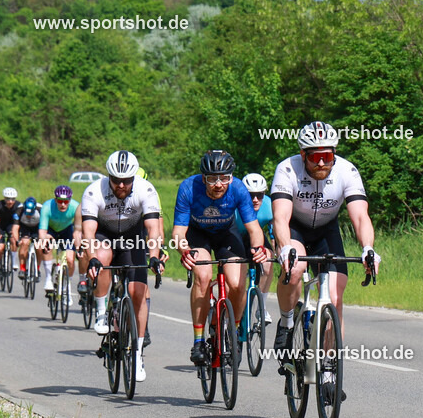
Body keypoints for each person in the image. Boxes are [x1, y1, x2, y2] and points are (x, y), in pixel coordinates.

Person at [270, 121, 380, 405]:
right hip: (294, 229)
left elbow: (360, 216)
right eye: (315, 156)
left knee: (334, 296)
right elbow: (280, 216)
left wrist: (368, 248)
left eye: (327, 156)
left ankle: (329, 371)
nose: (321, 163)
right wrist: (284, 247)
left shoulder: (347, 171)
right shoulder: (287, 169)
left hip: (326, 232)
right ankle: (286, 323)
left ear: (334, 154)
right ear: (303, 154)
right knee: (295, 268)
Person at [173, 150, 267, 367]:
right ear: (203, 178)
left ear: (231, 177)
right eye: (212, 179)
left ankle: (232, 333)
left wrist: (258, 249)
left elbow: (254, 229)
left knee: (237, 283)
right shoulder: (188, 188)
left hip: (226, 234)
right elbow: (178, 232)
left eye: (224, 178)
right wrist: (184, 250)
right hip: (198, 235)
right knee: (203, 276)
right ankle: (198, 341)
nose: (218, 184)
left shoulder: (238, 188)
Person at [83, 150, 164, 382]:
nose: (121, 185)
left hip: (133, 239)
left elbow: (153, 229)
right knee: (102, 257)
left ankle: (137, 354)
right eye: (116, 179)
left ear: (133, 177)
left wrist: (154, 256)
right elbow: (88, 232)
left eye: (126, 180)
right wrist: (92, 258)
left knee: (137, 291)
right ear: (108, 176)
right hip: (104, 236)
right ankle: (101, 312)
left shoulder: (145, 189)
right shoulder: (94, 191)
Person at [236, 173, 275, 324]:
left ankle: (261, 307)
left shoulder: (269, 205)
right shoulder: (234, 206)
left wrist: (279, 252)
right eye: (250, 195)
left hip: (257, 238)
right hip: (236, 237)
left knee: (268, 261)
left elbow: (274, 233)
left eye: (259, 195)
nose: (255, 199)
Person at [38, 185, 78, 300]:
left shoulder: (76, 207)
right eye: (60, 201)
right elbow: (42, 231)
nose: (63, 204)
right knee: (46, 245)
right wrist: (44, 241)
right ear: (55, 200)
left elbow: (79, 229)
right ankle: (48, 279)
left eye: (66, 201)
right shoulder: (47, 207)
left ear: (70, 200)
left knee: (70, 259)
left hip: (67, 230)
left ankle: (67, 285)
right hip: (51, 230)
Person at [0, 187, 20, 281]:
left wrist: (17, 233)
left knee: (13, 239)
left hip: (12, 225)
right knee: (0, 248)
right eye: (8, 199)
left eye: (12, 199)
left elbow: (20, 221)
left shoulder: (18, 206)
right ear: (4, 198)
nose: (10, 201)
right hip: (0, 226)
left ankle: (13, 261)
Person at [16, 197, 41, 280]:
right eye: (27, 214)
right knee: (24, 243)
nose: (29, 216)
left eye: (30, 214)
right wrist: (17, 240)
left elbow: (45, 227)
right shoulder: (19, 210)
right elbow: (15, 227)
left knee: (39, 246)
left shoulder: (41, 210)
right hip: (24, 227)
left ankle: (37, 269)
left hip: (38, 227)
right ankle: (22, 268)